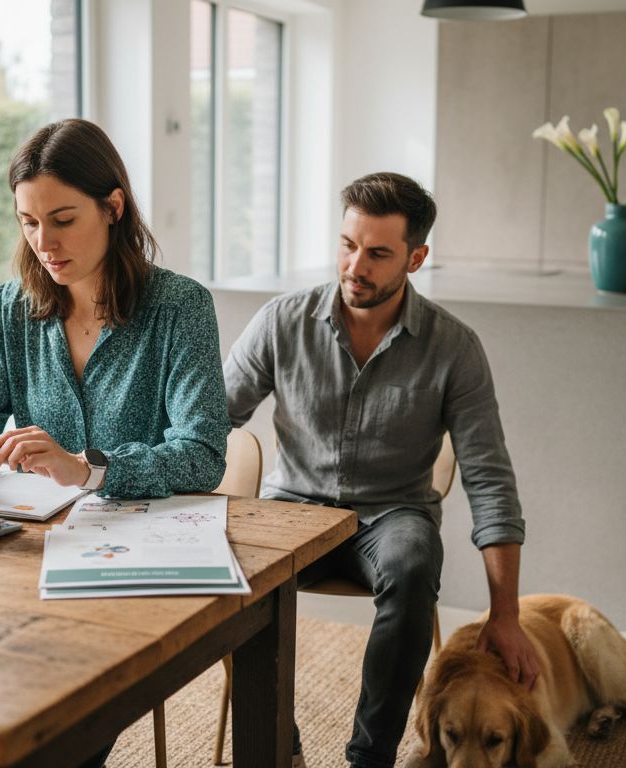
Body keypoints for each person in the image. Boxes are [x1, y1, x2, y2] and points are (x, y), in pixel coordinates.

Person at [0, 118, 231, 766]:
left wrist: (89, 469)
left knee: (49, 725)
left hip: (131, 561)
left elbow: (203, 453)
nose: (44, 242)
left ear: (113, 207)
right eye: (29, 222)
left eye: (63, 219)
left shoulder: (179, 308)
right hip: (24, 557)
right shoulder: (12, 308)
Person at [223, 172, 540, 768]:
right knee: (234, 566)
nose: (355, 266)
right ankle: (278, 748)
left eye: (378, 253)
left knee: (413, 563)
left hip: (395, 513)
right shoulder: (281, 322)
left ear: (416, 257)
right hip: (294, 506)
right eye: (348, 245)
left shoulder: (455, 348)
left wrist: (506, 613)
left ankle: (370, 760)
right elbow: (212, 420)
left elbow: (490, 481)